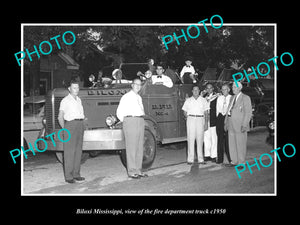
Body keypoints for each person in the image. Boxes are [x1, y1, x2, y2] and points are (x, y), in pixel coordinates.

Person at [116, 78, 148, 179]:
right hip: (130, 121)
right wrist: (126, 121)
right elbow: (119, 112)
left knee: (139, 147)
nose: (138, 86)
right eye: (136, 84)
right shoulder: (126, 97)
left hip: (139, 121)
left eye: (140, 85)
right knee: (131, 148)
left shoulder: (139, 97)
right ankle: (131, 171)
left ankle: (138, 170)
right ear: (132, 85)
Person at [58, 79, 85, 184]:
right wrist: (65, 128)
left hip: (79, 124)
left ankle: (76, 174)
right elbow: (60, 117)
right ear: (69, 89)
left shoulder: (79, 100)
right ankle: (68, 176)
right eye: (74, 87)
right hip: (70, 125)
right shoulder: (65, 100)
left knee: (78, 151)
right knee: (69, 152)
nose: (76, 89)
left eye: (77, 87)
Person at [224, 82, 252, 166]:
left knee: (241, 143)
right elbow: (228, 111)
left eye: (235, 87)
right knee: (231, 143)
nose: (233, 89)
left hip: (240, 124)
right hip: (230, 122)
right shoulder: (232, 98)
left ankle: (241, 162)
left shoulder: (245, 98)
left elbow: (248, 113)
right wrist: (226, 122)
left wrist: (244, 124)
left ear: (240, 88)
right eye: (232, 87)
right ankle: (234, 161)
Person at [182, 85, 209, 165]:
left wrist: (206, 123)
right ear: (192, 91)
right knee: (190, 139)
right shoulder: (188, 100)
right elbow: (184, 111)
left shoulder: (204, 100)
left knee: (200, 139)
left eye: (197, 90)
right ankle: (190, 159)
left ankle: (201, 159)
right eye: (194, 90)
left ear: (199, 91)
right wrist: (188, 117)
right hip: (191, 119)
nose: (195, 91)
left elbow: (206, 113)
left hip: (200, 119)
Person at [216, 84, 232, 164]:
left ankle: (230, 159)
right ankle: (220, 159)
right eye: (222, 89)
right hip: (220, 118)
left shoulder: (232, 98)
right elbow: (217, 109)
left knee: (228, 140)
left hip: (228, 117)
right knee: (220, 139)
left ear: (229, 90)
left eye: (225, 89)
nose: (223, 91)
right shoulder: (219, 98)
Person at [203, 83, 220, 163]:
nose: (209, 90)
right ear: (206, 89)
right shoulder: (203, 98)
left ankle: (213, 155)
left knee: (214, 138)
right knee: (206, 138)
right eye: (207, 88)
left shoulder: (217, 97)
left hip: (214, 120)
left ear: (213, 88)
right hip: (205, 120)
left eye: (210, 88)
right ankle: (207, 155)